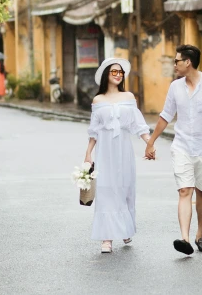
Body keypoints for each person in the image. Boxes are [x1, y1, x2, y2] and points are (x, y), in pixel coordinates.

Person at [146, 44, 202, 255]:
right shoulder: (175, 87)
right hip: (182, 146)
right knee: (185, 190)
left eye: (177, 61)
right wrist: (151, 141)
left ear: (188, 62)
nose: (174, 65)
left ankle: (199, 235)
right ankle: (184, 238)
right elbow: (166, 115)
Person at [84, 58, 151, 254]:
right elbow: (94, 131)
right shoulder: (98, 101)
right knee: (105, 190)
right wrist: (88, 153)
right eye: (114, 72)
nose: (118, 75)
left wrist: (150, 143)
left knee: (124, 189)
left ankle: (125, 228)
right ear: (106, 74)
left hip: (123, 150)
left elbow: (138, 125)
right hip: (104, 151)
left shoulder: (129, 97)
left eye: (120, 72)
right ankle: (106, 238)